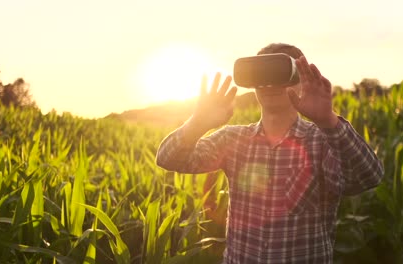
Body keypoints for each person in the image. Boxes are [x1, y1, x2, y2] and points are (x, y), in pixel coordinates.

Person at [156, 43, 384, 264]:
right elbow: (168, 158)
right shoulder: (232, 139)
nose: (269, 84)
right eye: (261, 75)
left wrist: (328, 121)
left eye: (280, 73)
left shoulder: (323, 142)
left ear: (302, 80)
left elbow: (367, 177)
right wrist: (198, 122)